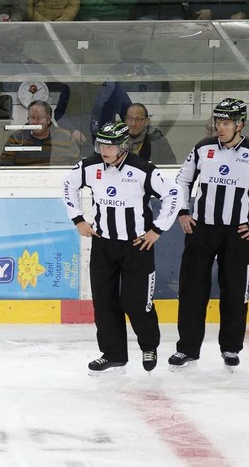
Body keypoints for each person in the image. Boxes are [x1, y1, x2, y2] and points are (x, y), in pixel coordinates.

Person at [170, 98, 249, 372]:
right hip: (201, 230)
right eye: (218, 122)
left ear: (239, 124)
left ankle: (231, 348)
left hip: (237, 234)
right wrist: (183, 211)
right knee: (192, 291)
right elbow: (182, 180)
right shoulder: (203, 148)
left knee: (234, 292)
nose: (220, 128)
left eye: (226, 123)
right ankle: (187, 349)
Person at [62, 121, 182, 375]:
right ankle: (113, 354)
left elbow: (174, 194)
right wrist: (78, 218)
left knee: (137, 302)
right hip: (103, 245)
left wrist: (158, 229)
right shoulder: (90, 166)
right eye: (101, 144)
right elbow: (68, 185)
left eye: (111, 145)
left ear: (124, 146)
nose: (104, 150)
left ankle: (149, 346)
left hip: (137, 246)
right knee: (104, 302)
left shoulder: (142, 170)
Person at [0, 100, 80, 167]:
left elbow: (78, 164)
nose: (35, 122)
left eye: (39, 118)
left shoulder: (65, 136)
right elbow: (3, 166)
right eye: (32, 118)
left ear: (48, 119)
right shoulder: (16, 137)